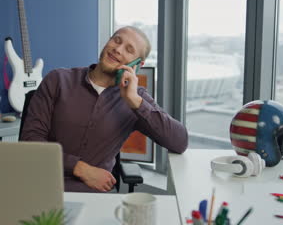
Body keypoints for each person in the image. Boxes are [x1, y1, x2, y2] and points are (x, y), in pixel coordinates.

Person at [21, 26, 188, 192]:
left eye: (129, 49)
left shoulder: (135, 98)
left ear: (138, 65)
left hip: (93, 197)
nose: (118, 49)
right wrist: (80, 168)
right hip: (42, 187)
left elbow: (179, 141)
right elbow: (30, 141)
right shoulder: (58, 80)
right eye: (116, 40)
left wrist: (135, 102)